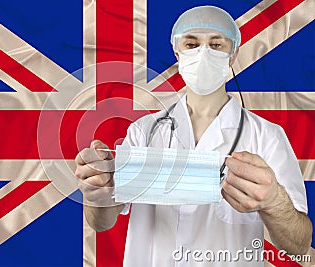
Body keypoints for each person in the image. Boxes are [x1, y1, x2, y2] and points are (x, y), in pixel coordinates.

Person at [75, 5, 312, 266]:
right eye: (191, 44)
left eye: (216, 44)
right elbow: (101, 222)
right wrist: (97, 192)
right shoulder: (143, 131)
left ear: (233, 55)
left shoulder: (267, 136)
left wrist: (274, 202)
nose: (203, 53)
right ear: (178, 53)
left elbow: (298, 244)